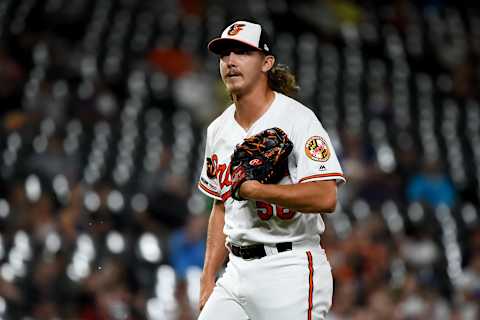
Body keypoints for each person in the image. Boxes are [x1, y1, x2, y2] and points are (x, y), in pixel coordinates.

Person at [197, 20, 346, 320]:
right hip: (236, 270)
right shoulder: (218, 130)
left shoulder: (297, 120)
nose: (230, 61)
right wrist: (207, 277)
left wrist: (257, 190)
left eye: (241, 52)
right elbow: (220, 206)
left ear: (267, 62)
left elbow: (326, 197)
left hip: (289, 268)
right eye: (224, 54)